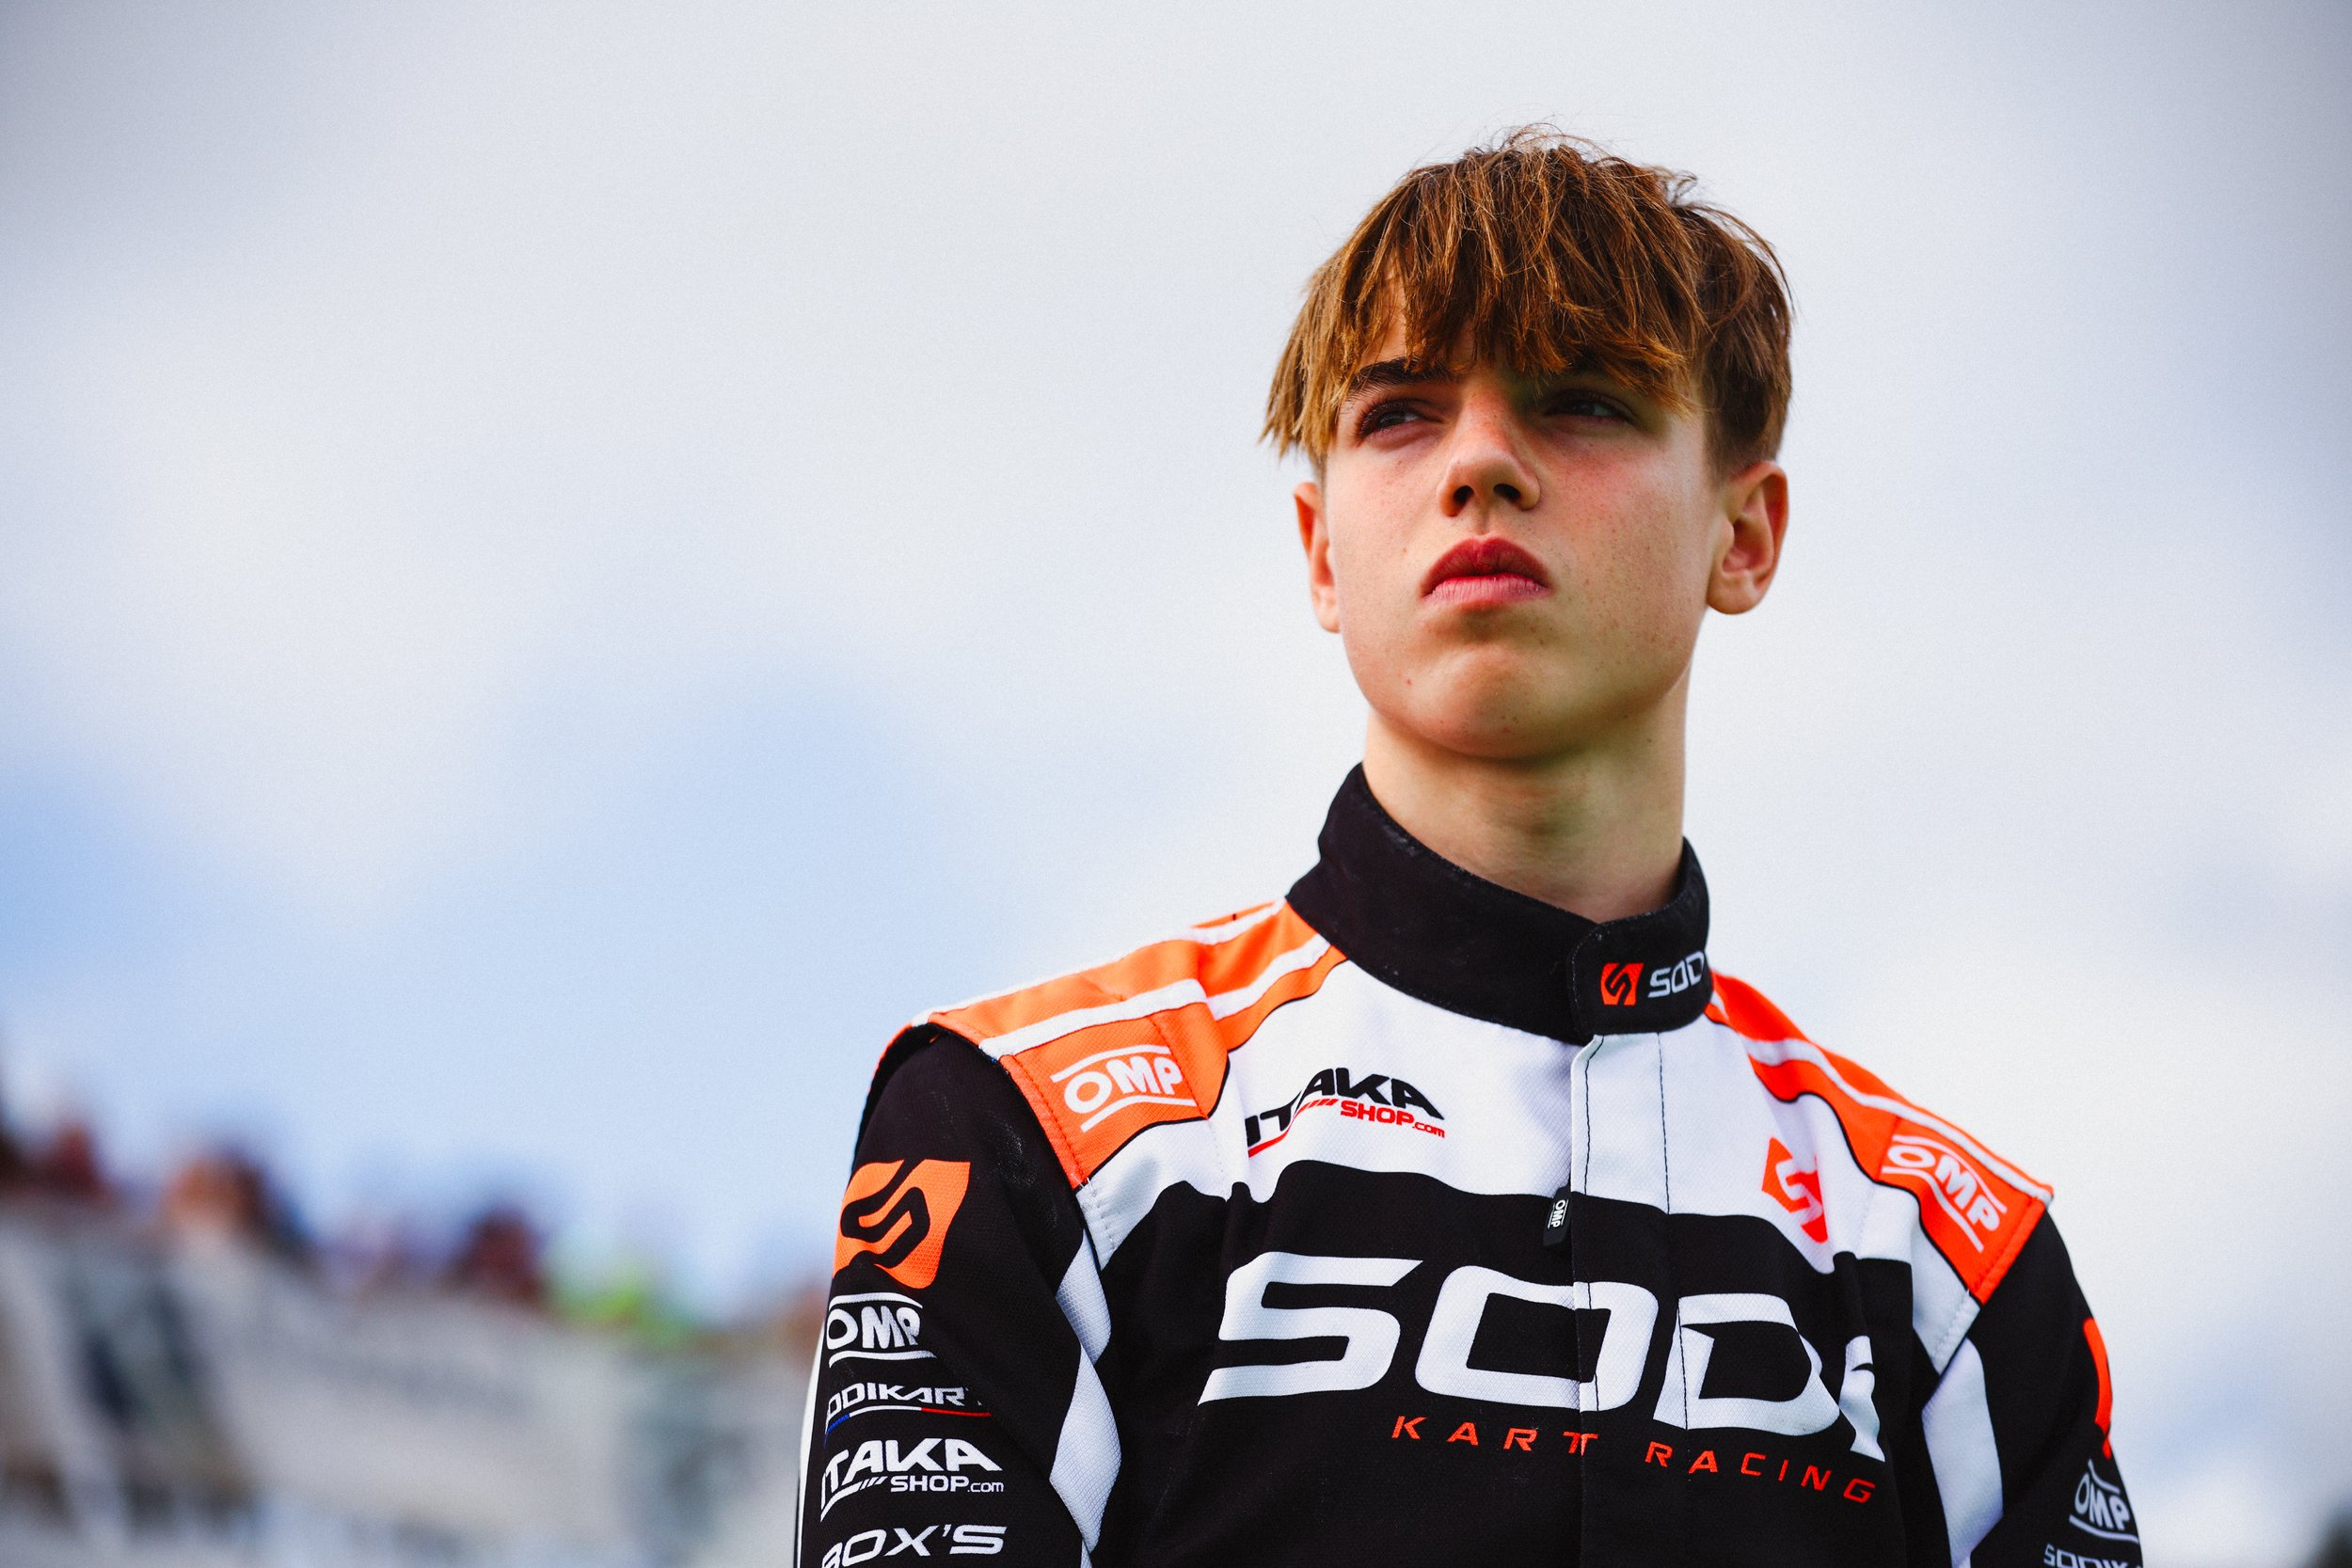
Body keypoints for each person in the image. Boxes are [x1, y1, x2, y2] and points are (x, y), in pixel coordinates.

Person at [796, 129, 2137, 1567]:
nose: (1482, 464)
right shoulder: (1032, 1129)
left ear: (1745, 534)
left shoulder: (1956, 1253)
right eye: (1400, 416)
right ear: (1320, 551)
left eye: (1583, 403)